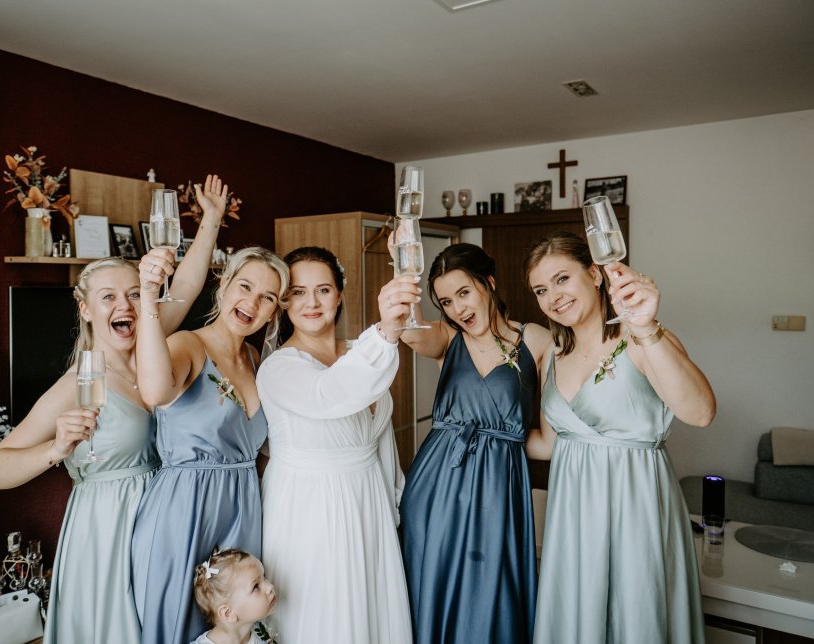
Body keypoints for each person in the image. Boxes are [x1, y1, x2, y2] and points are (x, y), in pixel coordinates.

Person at [0, 176, 232, 643]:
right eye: (109, 297)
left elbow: (188, 283)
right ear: (84, 309)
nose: (127, 306)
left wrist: (212, 218)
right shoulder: (75, 385)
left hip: (166, 521)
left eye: (135, 293)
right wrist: (55, 450)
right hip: (107, 532)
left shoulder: (153, 343)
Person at [524, 231, 716, 644]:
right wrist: (485, 435)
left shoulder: (642, 339)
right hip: (573, 515)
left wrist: (646, 327)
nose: (553, 297)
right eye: (541, 290)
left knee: (638, 612)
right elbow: (549, 445)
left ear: (595, 274)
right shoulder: (552, 356)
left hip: (637, 505)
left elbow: (701, 413)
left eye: (562, 279)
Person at [255, 246, 414, 643]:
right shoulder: (278, 368)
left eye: (323, 290)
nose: (311, 302)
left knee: (373, 609)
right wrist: (386, 332)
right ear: (283, 302)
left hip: (368, 501)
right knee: (325, 614)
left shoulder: (361, 351)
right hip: (311, 509)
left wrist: (393, 499)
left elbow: (379, 439)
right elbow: (331, 393)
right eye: (297, 292)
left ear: (339, 295)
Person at [131, 245, 289, 644]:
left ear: (274, 311)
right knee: (177, 624)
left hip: (243, 509)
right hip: (186, 509)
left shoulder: (256, 359)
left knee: (237, 627)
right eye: (245, 286)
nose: (252, 302)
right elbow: (154, 391)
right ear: (223, 285)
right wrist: (148, 297)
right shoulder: (188, 345)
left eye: (267, 297)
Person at [396, 242, 551, 643]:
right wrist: (406, 270)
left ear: (489, 283)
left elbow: (548, 442)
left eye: (464, 293)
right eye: (446, 302)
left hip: (499, 487)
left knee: (491, 595)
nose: (457, 309)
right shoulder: (447, 338)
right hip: (436, 486)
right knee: (432, 584)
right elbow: (409, 332)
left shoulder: (536, 339)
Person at [191, 548, 278, 644]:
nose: (270, 587)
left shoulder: (262, 635)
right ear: (229, 613)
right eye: (256, 586)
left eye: (264, 577)